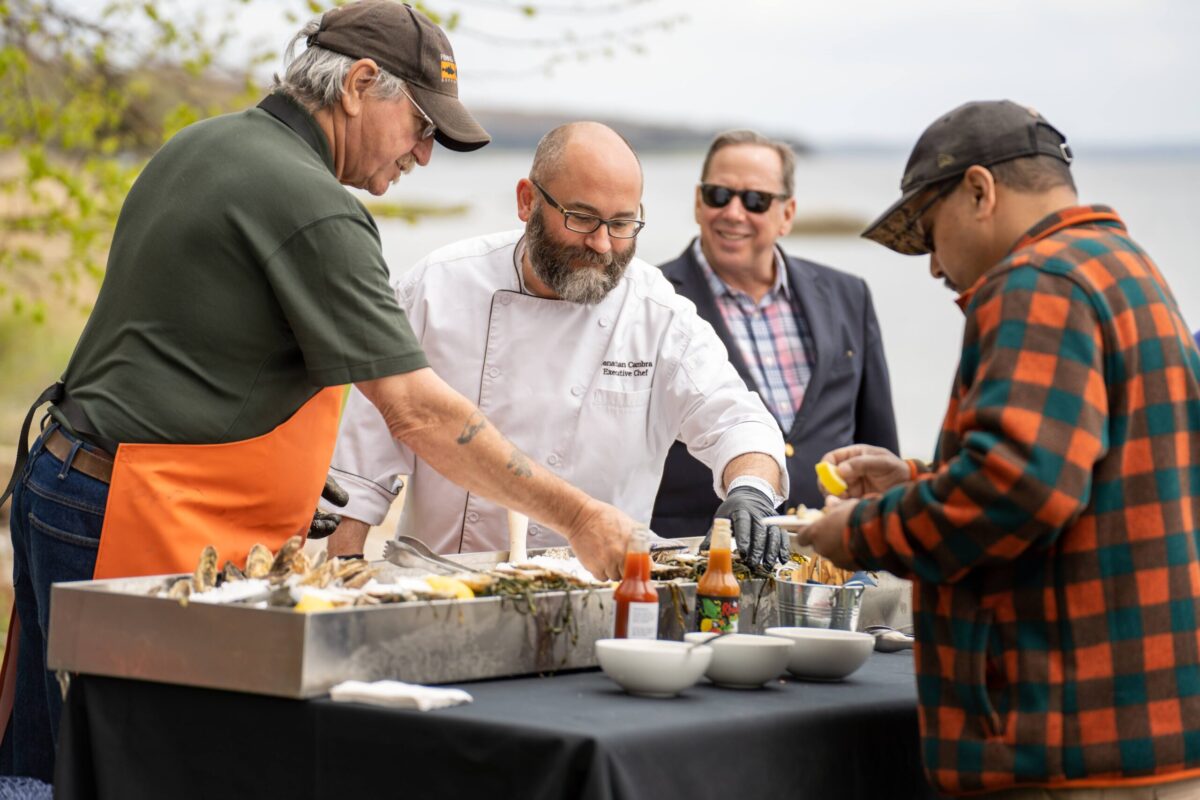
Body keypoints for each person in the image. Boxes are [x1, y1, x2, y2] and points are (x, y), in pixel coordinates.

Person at [0, 2, 641, 782]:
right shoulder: (316, 205)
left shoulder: (204, 143)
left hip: (62, 481)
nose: (425, 155)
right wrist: (577, 515)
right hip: (127, 511)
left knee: (39, 763)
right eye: (422, 127)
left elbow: (184, 354)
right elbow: (418, 411)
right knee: (132, 767)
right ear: (361, 84)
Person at [798, 100, 1200, 798]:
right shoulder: (1126, 269)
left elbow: (1019, 487)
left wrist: (860, 534)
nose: (931, 268)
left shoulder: (1034, 281)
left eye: (928, 232)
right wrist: (920, 480)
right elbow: (1083, 472)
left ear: (980, 190)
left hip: (1063, 743)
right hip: (1143, 729)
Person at [325, 121, 791, 570]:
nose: (603, 244)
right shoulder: (438, 286)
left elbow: (737, 419)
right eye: (582, 218)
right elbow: (363, 463)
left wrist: (749, 489)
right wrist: (342, 576)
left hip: (602, 591)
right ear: (527, 201)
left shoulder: (657, 313)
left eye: (623, 223)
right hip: (446, 581)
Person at [651, 130, 898, 539]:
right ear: (698, 202)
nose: (733, 212)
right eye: (718, 195)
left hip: (829, 555)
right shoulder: (651, 300)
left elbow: (878, 443)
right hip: (697, 559)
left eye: (755, 200)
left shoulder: (848, 294)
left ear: (787, 214)